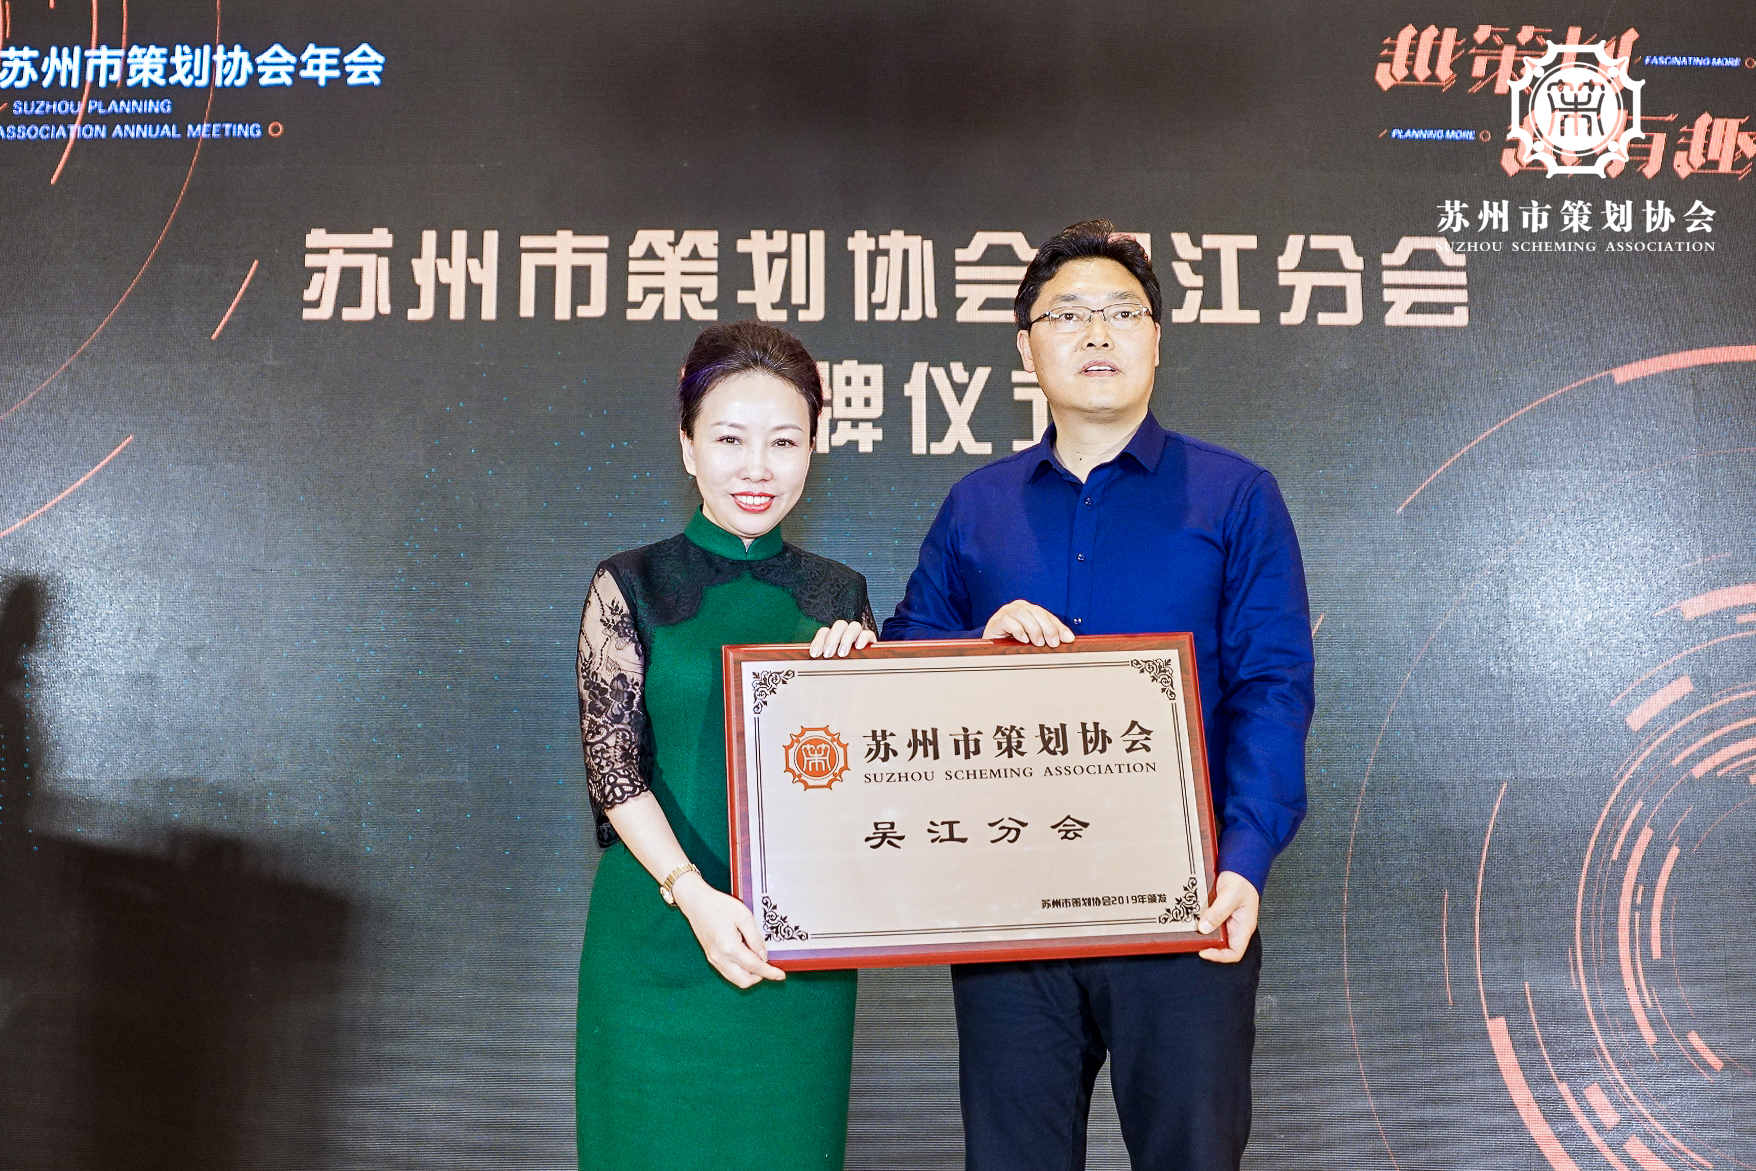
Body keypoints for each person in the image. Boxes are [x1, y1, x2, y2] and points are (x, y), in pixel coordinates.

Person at [883, 220, 1314, 1170]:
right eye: (1068, 314)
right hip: (1009, 909)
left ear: (1157, 338)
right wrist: (976, 647)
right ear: (1025, 347)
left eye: (1122, 312)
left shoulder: (1236, 496)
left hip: (1186, 904)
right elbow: (903, 662)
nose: (1097, 332)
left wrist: (1242, 863)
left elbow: (1273, 690)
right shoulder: (976, 506)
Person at [574, 321, 876, 1171]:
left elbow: (869, 792)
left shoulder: (840, 594)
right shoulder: (630, 583)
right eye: (730, 439)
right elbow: (613, 768)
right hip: (658, 936)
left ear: (813, 447)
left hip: (797, 959)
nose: (757, 467)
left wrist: (862, 686)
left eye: (784, 441)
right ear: (687, 447)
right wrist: (695, 895)